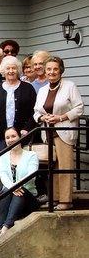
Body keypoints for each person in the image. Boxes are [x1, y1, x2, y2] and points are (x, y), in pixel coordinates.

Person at [33, 56, 84, 210]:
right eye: (49, 69)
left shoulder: (70, 86)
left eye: (55, 69)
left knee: (65, 167)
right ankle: (54, 198)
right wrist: (43, 117)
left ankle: (66, 201)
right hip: (48, 133)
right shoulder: (42, 90)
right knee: (52, 168)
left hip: (64, 132)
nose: (52, 72)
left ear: (61, 70)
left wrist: (61, 117)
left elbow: (79, 108)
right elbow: (36, 111)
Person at [0, 55, 37, 152]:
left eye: (14, 68)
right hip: (1, 137)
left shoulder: (28, 88)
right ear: (3, 71)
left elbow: (35, 111)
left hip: (23, 135)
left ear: (18, 70)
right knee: (3, 162)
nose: (11, 71)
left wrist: (27, 128)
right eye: (8, 68)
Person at [0, 127, 39, 238]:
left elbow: (31, 176)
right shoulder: (2, 158)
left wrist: (15, 187)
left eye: (13, 136)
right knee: (6, 189)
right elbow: (4, 177)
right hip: (10, 196)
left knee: (19, 191)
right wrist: (13, 188)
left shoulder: (31, 155)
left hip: (29, 198)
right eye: (7, 137)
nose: (10, 140)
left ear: (20, 137)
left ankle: (6, 227)